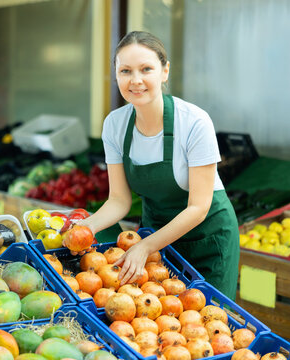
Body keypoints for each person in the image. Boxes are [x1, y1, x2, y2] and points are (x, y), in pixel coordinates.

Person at [74, 31, 240, 300]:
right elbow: (118, 200)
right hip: (156, 236)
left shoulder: (195, 122)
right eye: (125, 70)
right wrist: (83, 230)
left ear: (164, 72)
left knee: (207, 320)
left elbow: (198, 207)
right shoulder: (115, 125)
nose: (135, 80)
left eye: (146, 69)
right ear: (116, 75)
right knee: (158, 318)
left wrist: (145, 246)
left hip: (208, 237)